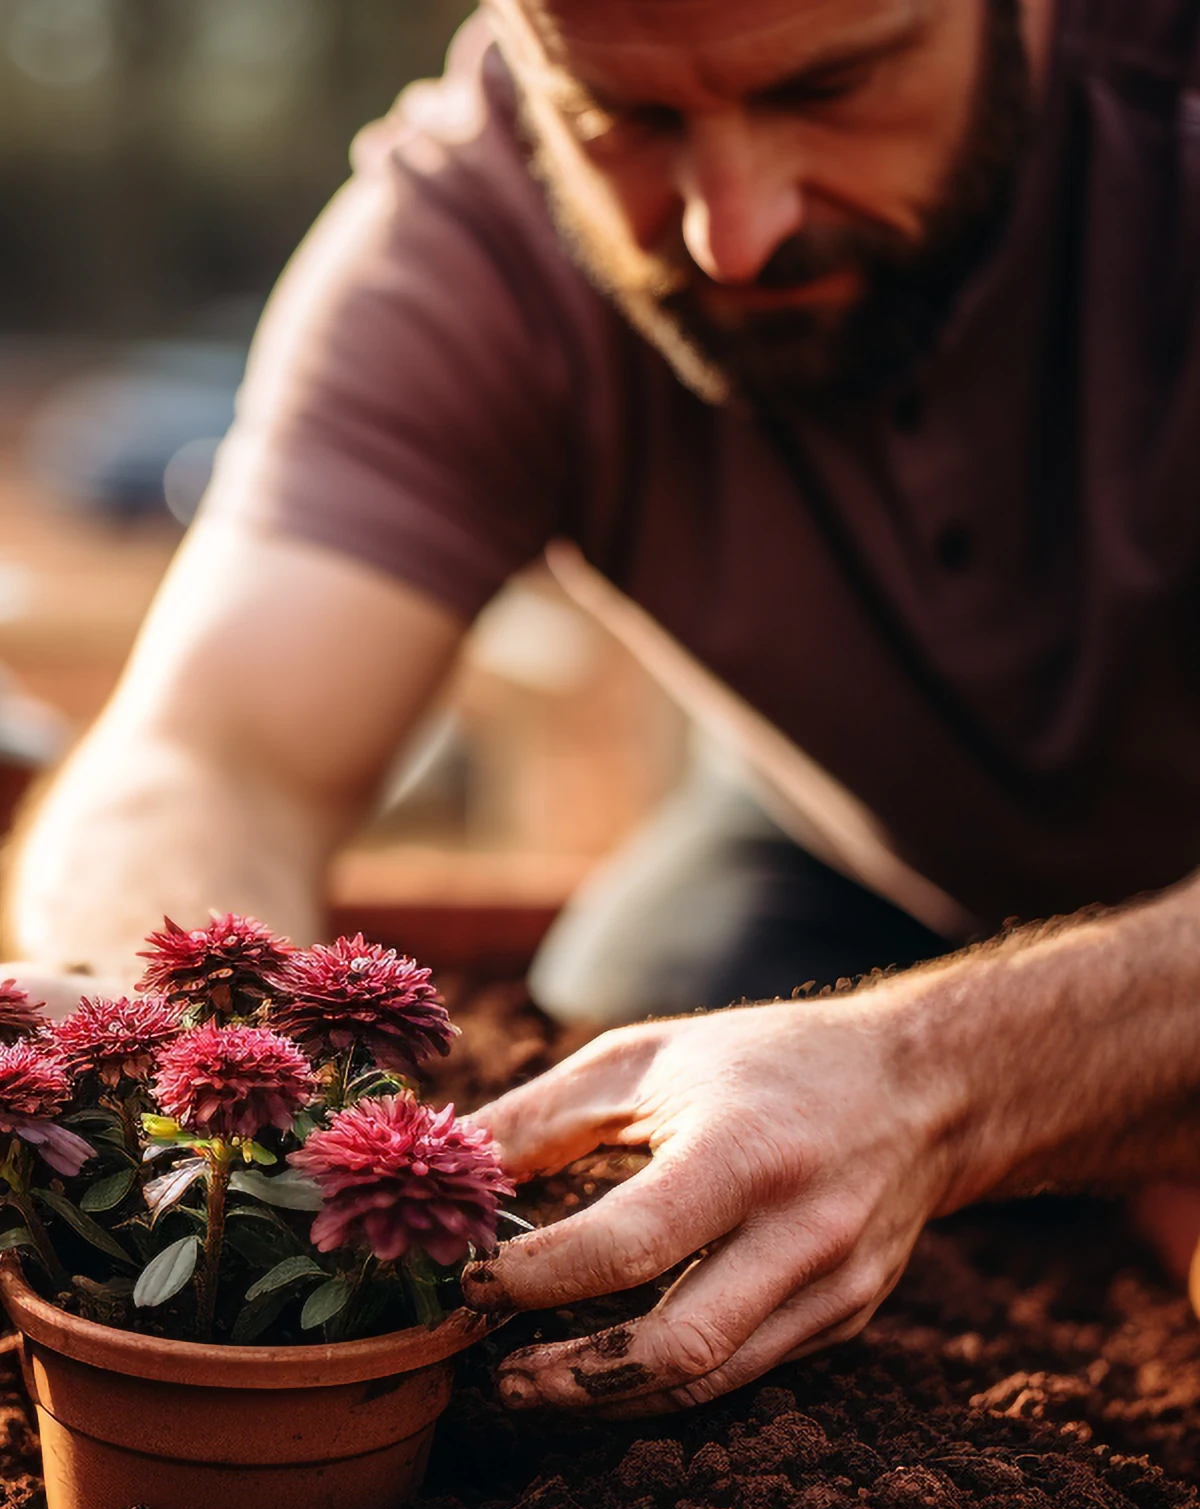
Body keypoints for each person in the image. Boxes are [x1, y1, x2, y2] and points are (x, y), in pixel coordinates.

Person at [7, 0, 1200, 1415]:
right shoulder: (468, 224)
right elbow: (213, 751)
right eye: (623, 118)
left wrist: (943, 1073)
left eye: (836, 84)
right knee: (616, 1021)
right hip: (852, 826)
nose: (730, 233)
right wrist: (172, 1045)